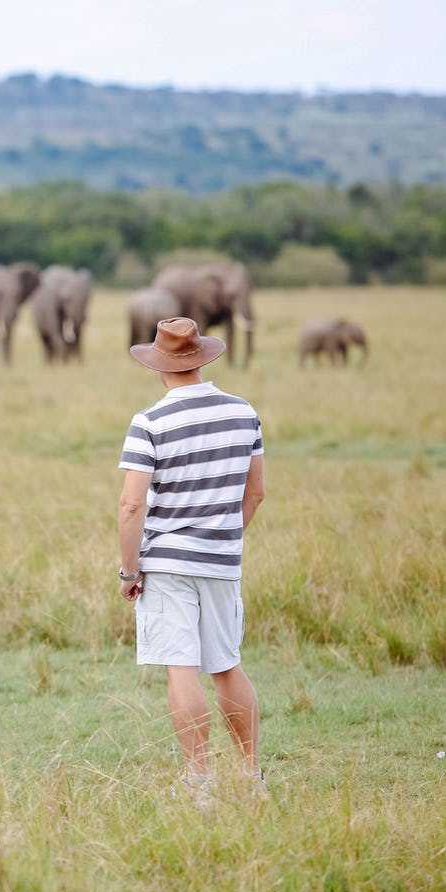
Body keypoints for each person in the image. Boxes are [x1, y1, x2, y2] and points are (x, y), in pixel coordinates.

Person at [117, 317, 267, 805]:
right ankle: (250, 777)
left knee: (181, 667)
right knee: (226, 663)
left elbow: (131, 505)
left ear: (159, 366)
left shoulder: (150, 421)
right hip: (222, 559)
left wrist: (130, 568)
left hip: (166, 560)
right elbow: (256, 493)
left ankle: (198, 780)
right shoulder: (244, 412)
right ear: (202, 358)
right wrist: (220, 537)